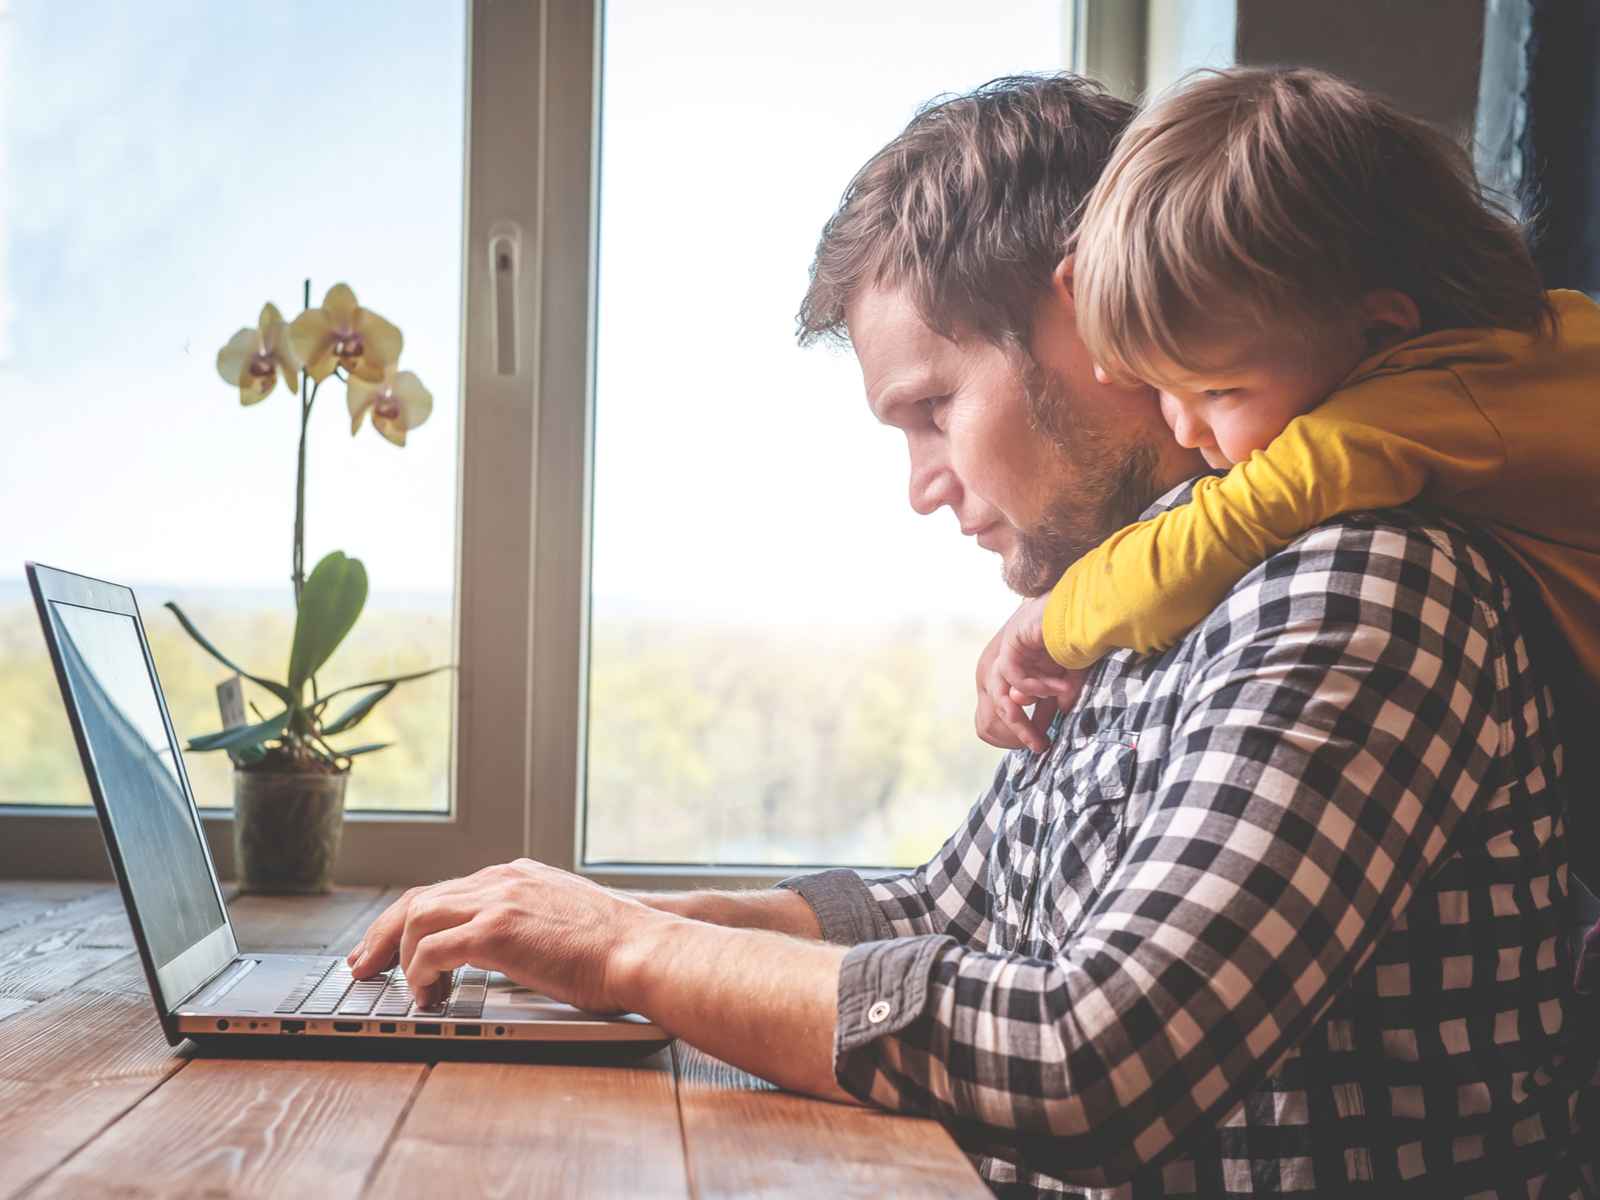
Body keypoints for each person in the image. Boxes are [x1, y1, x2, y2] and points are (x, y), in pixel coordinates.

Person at [346, 74, 1593, 1196]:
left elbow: (1087, 1056)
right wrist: (577, 928)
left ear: (1087, 317)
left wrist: (633, 953)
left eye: (933, 409)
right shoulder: (1144, 598)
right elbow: (948, 905)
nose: (922, 484)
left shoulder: (1356, 579)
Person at [975, 68, 1600, 766]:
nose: (1185, 429)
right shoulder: (1536, 346)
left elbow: (1215, 535)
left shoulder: (1400, 417)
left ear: (1381, 330)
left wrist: (1049, 621)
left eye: (1219, 392)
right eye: (1158, 387)